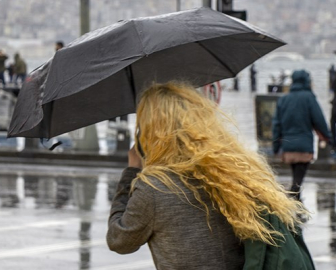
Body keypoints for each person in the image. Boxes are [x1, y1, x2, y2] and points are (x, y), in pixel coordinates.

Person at [107, 81, 314, 269]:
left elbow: (120, 240)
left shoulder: (154, 189)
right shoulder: (232, 172)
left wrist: (131, 171)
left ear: (151, 133)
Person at [273, 70, 331, 201]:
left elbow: (276, 124)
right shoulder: (309, 97)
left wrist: (276, 145)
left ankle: (296, 195)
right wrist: (328, 138)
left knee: (296, 171)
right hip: (304, 143)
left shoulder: (284, 99)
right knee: (300, 172)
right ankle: (295, 194)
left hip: (287, 144)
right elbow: (319, 120)